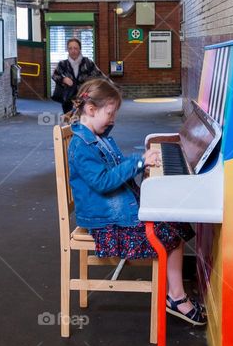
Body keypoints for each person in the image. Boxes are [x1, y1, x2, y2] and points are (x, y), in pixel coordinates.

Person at [66, 78, 205, 325]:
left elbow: (117, 166)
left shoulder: (99, 137)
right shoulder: (81, 145)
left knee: (175, 223)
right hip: (107, 225)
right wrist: (139, 163)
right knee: (170, 232)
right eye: (109, 113)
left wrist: (142, 161)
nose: (113, 120)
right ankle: (176, 297)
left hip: (116, 214)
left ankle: (175, 292)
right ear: (90, 109)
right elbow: (102, 182)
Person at [51, 37, 103, 114]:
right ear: (67, 50)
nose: (73, 51)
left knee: (85, 122)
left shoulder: (88, 63)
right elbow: (54, 76)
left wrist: (89, 83)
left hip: (86, 99)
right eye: (70, 48)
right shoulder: (62, 64)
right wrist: (63, 79)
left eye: (75, 48)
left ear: (80, 49)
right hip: (68, 100)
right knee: (70, 123)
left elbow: (100, 76)